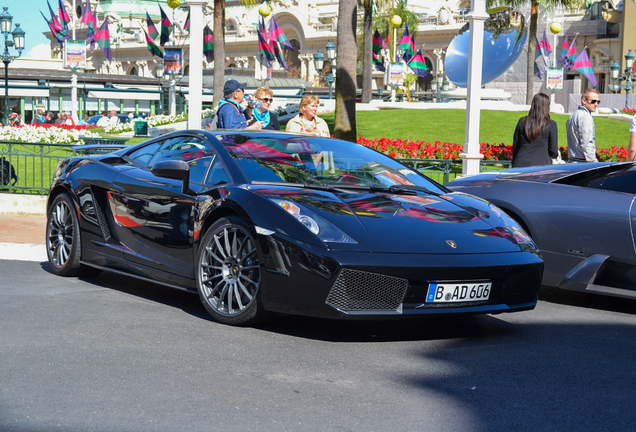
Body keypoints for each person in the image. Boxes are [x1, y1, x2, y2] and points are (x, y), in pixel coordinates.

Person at [512, 93, 559, 167]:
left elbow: (516, 146)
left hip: (520, 163)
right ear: (547, 106)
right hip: (541, 164)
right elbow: (553, 151)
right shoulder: (551, 124)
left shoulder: (522, 121)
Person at [566, 88, 600, 163]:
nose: (596, 104)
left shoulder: (572, 116)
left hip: (572, 161)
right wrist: (594, 163)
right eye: (593, 101)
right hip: (582, 162)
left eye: (598, 102)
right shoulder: (586, 117)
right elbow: (587, 142)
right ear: (584, 100)